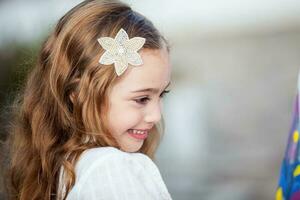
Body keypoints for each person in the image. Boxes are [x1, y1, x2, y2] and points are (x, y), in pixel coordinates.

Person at [6, 0, 172, 199]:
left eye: (161, 94)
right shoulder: (111, 170)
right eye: (142, 99)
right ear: (79, 94)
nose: (156, 115)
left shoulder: (69, 168)